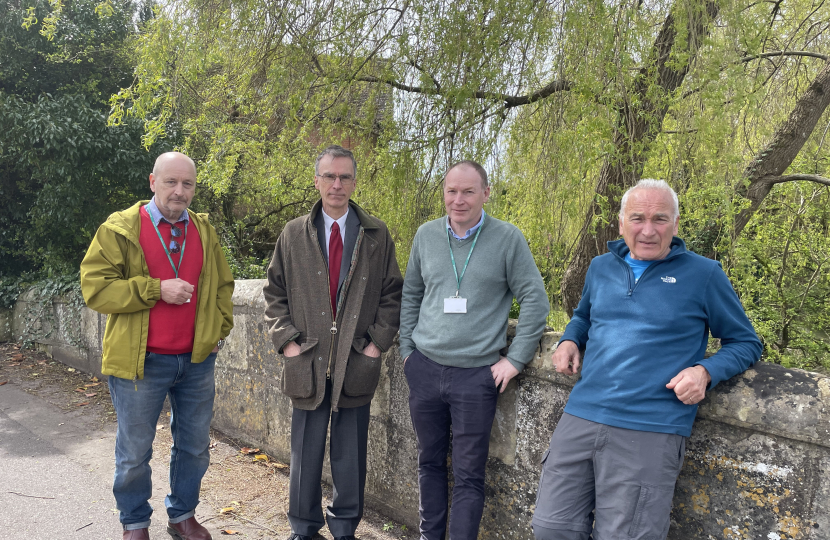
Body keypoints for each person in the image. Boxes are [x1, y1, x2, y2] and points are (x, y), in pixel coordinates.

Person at [532, 179, 763, 540]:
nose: (648, 230)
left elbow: (746, 342)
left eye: (660, 219)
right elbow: (584, 316)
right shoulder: (600, 267)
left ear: (675, 223)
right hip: (582, 414)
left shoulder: (704, 275)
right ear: (621, 222)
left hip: (651, 427)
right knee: (551, 528)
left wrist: (705, 371)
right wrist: (569, 339)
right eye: (638, 218)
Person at [80, 152, 235, 540]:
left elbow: (222, 287)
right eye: (171, 182)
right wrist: (155, 289)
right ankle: (134, 523)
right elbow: (95, 289)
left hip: (197, 362)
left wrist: (218, 332)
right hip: (141, 362)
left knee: (195, 448)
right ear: (153, 182)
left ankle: (182, 516)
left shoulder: (204, 230)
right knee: (134, 453)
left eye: (188, 185)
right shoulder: (120, 228)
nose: (179, 192)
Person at [399, 160, 550, 540]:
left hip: (476, 377)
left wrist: (516, 360)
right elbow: (412, 294)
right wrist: (407, 351)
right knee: (429, 462)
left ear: (485, 193)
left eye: (469, 191)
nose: (459, 200)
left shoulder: (507, 238)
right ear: (444, 193)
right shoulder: (426, 235)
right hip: (426, 369)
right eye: (452, 191)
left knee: (469, 475)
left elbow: (534, 299)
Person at [262, 145, 403, 540]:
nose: (336, 184)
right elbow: (274, 293)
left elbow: (393, 294)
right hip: (307, 360)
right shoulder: (294, 233)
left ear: (354, 182)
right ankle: (303, 528)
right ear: (317, 180)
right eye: (329, 176)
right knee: (304, 454)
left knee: (350, 455)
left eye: (344, 177)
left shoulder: (376, 234)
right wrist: (288, 342)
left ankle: (344, 529)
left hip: (355, 361)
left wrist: (375, 345)